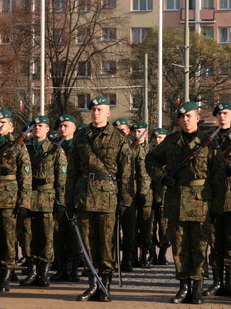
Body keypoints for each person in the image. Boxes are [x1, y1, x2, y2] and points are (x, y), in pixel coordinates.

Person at [146, 101, 218, 305]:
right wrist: (161, 177)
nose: (185, 120)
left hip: (200, 202)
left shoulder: (208, 142)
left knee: (200, 245)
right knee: (179, 246)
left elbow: (218, 175)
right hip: (175, 200)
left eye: (189, 116)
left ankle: (197, 287)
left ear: (197, 118)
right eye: (182, 116)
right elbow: (150, 160)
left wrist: (217, 204)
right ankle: (183, 286)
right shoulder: (170, 141)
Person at [66, 96, 132, 302]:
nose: (96, 113)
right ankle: (92, 284)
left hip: (107, 197)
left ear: (108, 113)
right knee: (86, 243)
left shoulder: (118, 138)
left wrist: (125, 201)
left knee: (106, 243)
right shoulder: (81, 137)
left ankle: (105, 285)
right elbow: (72, 171)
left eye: (100, 109)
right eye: (93, 109)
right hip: (84, 195)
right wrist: (68, 200)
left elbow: (127, 173)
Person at [0, 109, 31, 292]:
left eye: (3, 122)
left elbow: (25, 176)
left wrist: (24, 202)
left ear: (11, 126)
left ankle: (6, 276)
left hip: (10, 197)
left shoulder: (19, 146)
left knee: (8, 238)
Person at [204, 102, 231, 299]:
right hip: (212, 197)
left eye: (225, 113)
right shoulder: (208, 139)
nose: (222, 116)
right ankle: (216, 281)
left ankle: (230, 282)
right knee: (215, 242)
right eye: (219, 113)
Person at [20, 115, 66, 288]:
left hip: (47, 198)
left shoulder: (55, 150)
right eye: (35, 126)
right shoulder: (24, 148)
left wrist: (61, 202)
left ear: (47, 129)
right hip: (28, 196)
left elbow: (61, 179)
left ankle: (44, 273)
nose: (37, 128)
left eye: (41, 125)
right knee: (27, 236)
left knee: (47, 237)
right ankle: (31, 271)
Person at [52, 114, 79, 282]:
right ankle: (62, 268)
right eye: (61, 126)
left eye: (66, 125)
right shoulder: (54, 147)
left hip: (75, 195)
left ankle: (74, 269)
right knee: (59, 234)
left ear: (74, 128)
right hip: (57, 195)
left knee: (75, 234)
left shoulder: (78, 145)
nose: (63, 129)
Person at [121, 122, 150, 270]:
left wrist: (142, 192)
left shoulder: (139, 149)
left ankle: (141, 255)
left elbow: (142, 173)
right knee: (126, 229)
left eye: (140, 131)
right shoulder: (123, 147)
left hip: (134, 193)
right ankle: (128, 257)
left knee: (142, 227)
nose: (137, 133)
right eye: (135, 131)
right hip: (117, 193)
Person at [148, 128, 170, 266]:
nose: (158, 140)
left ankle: (162, 255)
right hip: (150, 197)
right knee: (149, 229)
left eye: (161, 137)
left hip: (165, 198)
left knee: (164, 229)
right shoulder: (149, 155)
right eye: (156, 138)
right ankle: (152, 255)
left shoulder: (170, 155)